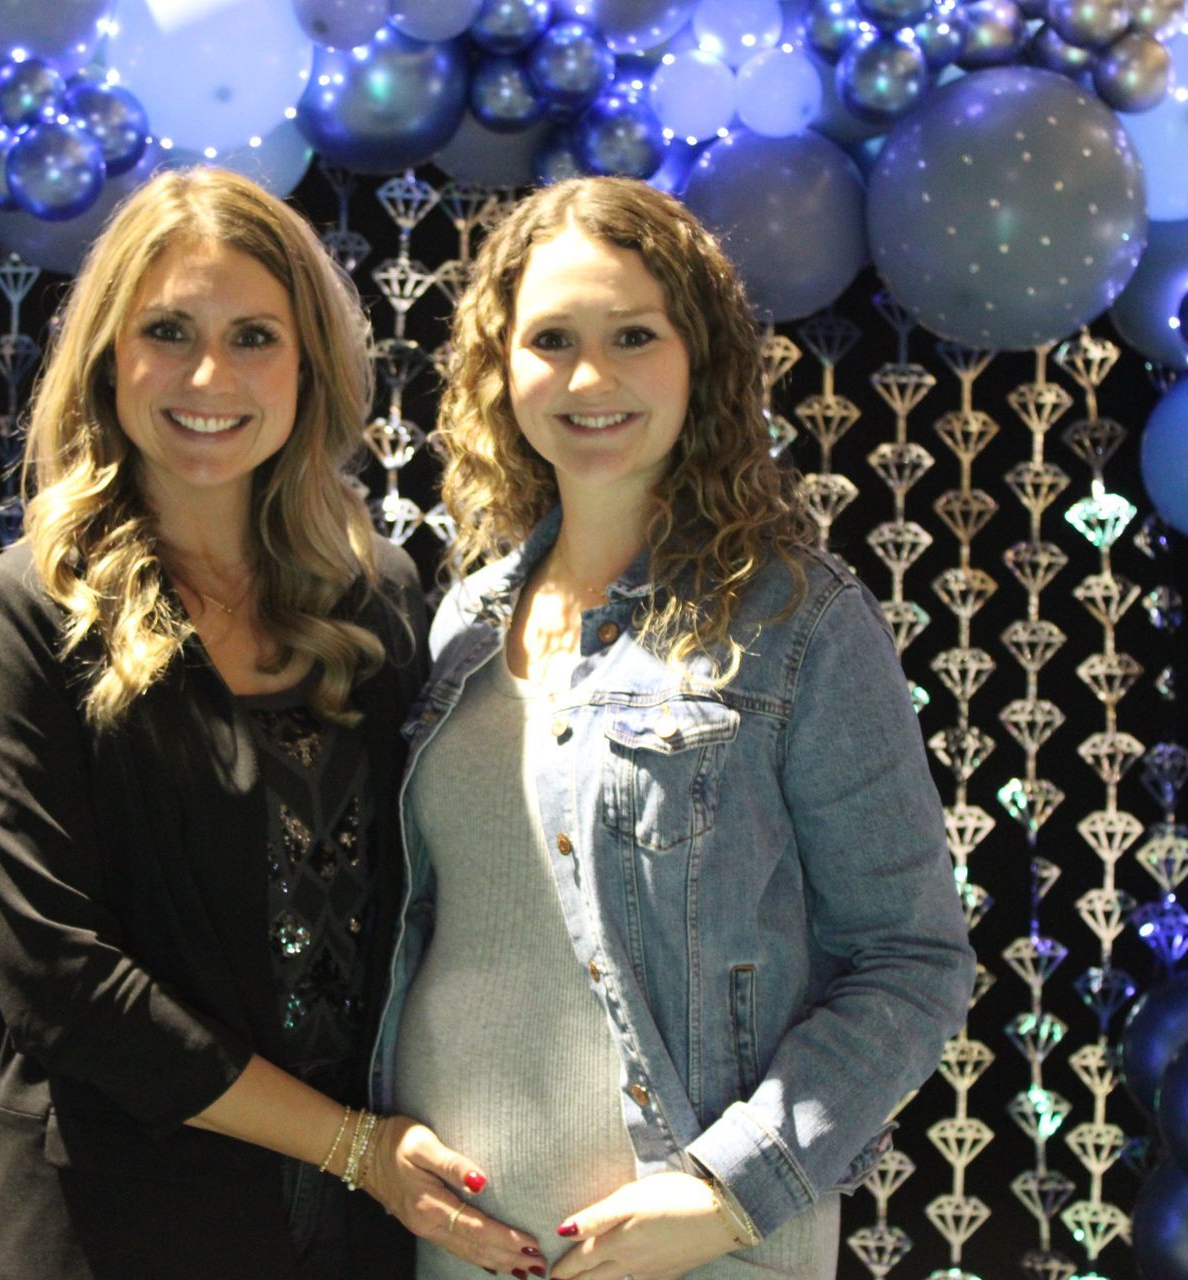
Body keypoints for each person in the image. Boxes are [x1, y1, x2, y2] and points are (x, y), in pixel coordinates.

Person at [368, 177, 978, 1280]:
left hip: (701, 1251)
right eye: (551, 338)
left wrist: (731, 1187)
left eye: (633, 336)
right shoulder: (459, 624)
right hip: (456, 1243)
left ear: (701, 357)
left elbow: (911, 957)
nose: (590, 377)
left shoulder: (800, 618)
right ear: (501, 367)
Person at [0, 167, 541, 1280]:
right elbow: (58, 981)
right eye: (167, 329)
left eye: (254, 335)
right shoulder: (22, 608)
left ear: (307, 365)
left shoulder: (379, 599)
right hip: (112, 1228)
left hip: (358, 1231)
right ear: (107, 359)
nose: (209, 374)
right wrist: (353, 1146)